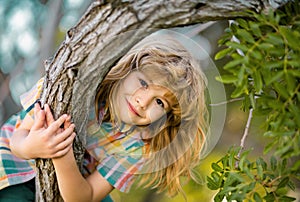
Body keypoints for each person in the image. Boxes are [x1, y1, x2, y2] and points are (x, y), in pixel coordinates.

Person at [0, 33, 208, 201]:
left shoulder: (137, 146)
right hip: (15, 167)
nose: (142, 102)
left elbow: (86, 196)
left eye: (160, 102)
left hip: (74, 180)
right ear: (126, 70)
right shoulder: (77, 85)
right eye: (143, 83)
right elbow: (17, 139)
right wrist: (31, 147)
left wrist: (63, 157)